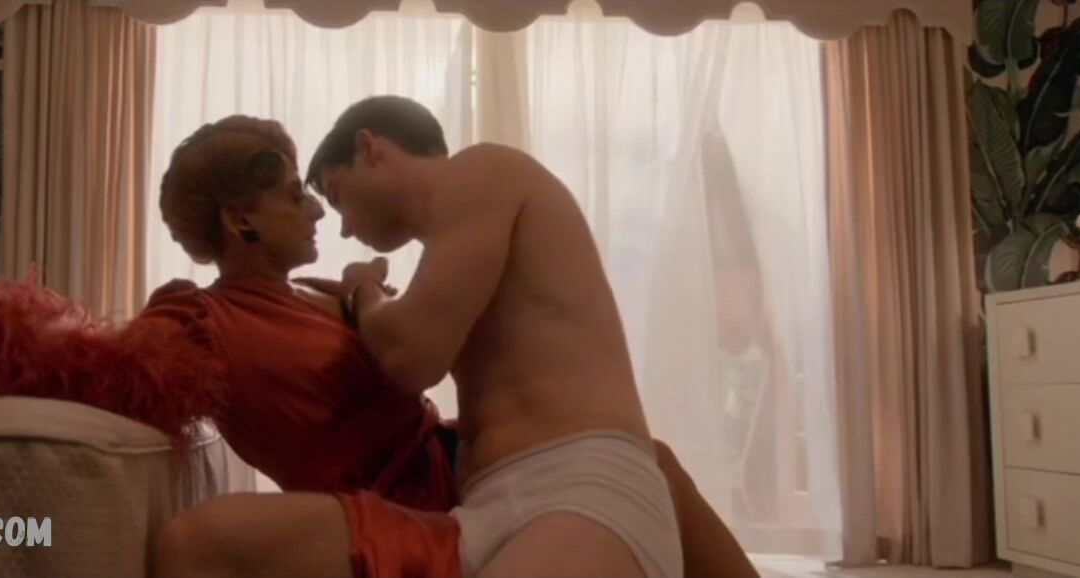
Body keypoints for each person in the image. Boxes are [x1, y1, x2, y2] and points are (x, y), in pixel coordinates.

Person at [150, 113, 756, 578]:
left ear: (370, 148)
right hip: (472, 504)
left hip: (540, 486)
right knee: (193, 539)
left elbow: (412, 356)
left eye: (334, 193)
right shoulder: (209, 316)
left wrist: (363, 293)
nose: (335, 221)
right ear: (239, 219)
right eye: (300, 197)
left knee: (651, 468)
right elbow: (410, 351)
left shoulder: (483, 173)